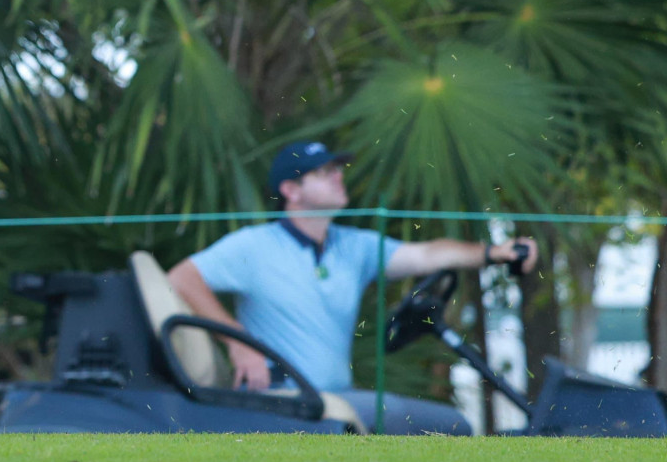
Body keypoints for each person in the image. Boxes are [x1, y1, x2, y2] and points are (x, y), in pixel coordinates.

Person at [167, 140, 536, 429]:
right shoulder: (255, 245)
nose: (338, 177)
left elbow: (427, 255)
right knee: (448, 425)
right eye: (323, 172)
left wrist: (494, 252)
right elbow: (181, 277)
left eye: (337, 169)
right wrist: (238, 342)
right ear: (291, 190)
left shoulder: (353, 246)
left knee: (450, 425)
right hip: (284, 402)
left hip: (338, 399)